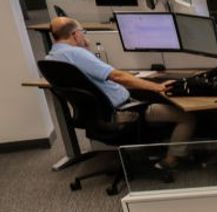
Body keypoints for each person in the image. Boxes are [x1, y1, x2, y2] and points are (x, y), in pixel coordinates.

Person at [45, 17, 196, 169]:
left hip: (100, 116)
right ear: (76, 35)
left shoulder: (50, 59)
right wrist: (157, 87)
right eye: (83, 33)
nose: (85, 36)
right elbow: (117, 76)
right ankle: (171, 160)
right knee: (186, 116)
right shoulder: (77, 54)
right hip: (125, 111)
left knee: (150, 96)